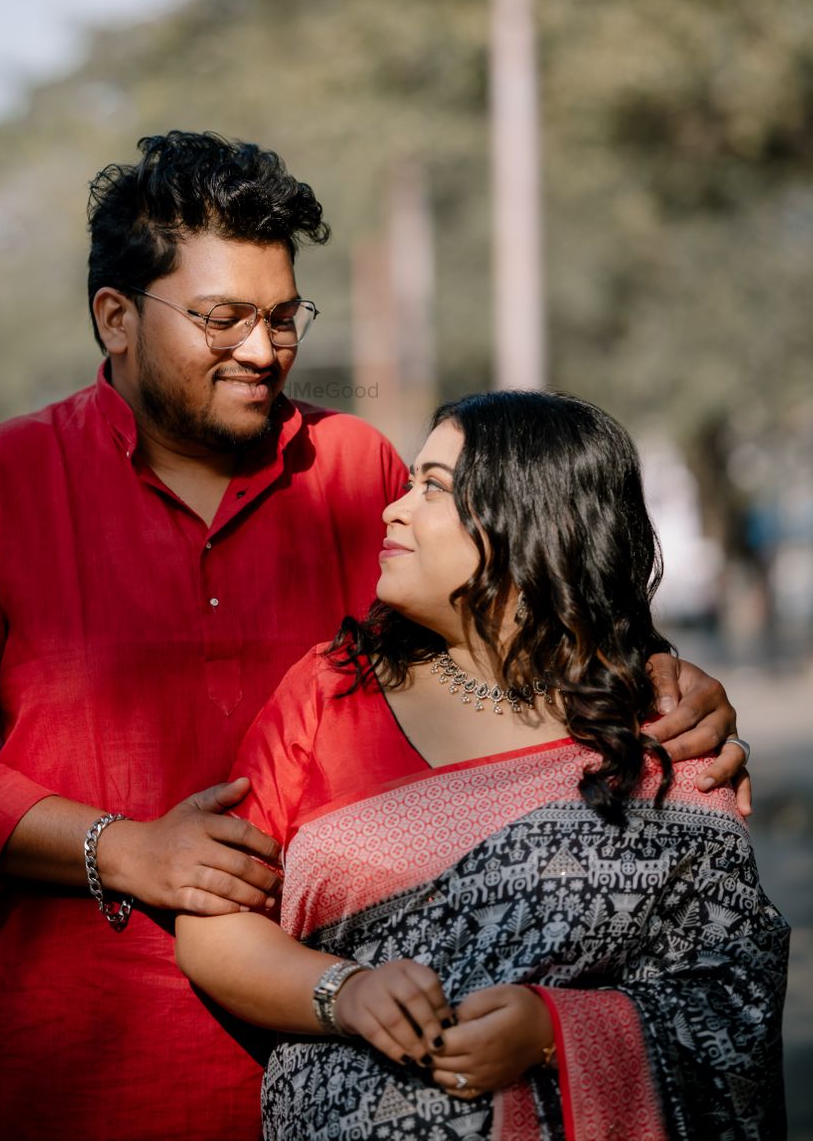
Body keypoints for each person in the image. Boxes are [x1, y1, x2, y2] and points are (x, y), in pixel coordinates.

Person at [0, 133, 746, 1141]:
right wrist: (120, 850)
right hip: (68, 1068)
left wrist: (653, 677)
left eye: (283, 318)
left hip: (335, 1070)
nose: (262, 349)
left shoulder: (353, 469)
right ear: (114, 318)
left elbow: (503, 636)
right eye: (221, 318)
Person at [177, 391, 787, 1141]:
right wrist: (345, 990)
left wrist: (551, 1032)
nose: (392, 511)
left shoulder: (664, 727)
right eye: (407, 482)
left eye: (433, 487)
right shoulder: (332, 690)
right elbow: (214, 922)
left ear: (533, 518)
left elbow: (731, 998)